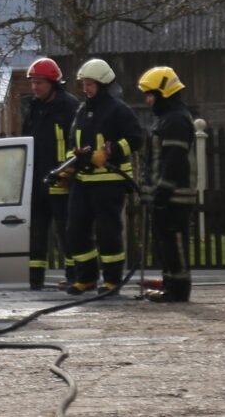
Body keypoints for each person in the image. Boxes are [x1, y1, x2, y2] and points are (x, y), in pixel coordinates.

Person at [65, 58, 143, 295]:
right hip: (83, 180)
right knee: (76, 230)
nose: (86, 89)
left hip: (109, 181)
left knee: (108, 232)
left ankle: (112, 281)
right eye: (84, 84)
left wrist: (111, 152)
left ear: (103, 84)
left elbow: (136, 139)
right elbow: (73, 141)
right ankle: (86, 278)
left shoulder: (118, 110)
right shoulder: (82, 110)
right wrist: (72, 160)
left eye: (90, 84)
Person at [137, 66, 196, 302]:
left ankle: (179, 289)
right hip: (165, 195)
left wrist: (163, 189)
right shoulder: (167, 119)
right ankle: (170, 285)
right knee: (165, 244)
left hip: (175, 196)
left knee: (175, 241)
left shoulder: (175, 121)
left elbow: (174, 160)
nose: (148, 100)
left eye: (150, 94)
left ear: (163, 92)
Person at [21, 58, 80, 290]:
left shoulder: (70, 107)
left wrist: (66, 171)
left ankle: (74, 276)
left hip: (62, 181)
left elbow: (75, 143)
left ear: (53, 83)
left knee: (66, 231)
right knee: (36, 232)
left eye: (40, 83)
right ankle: (34, 279)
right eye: (33, 82)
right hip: (36, 181)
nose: (35, 87)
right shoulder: (34, 108)